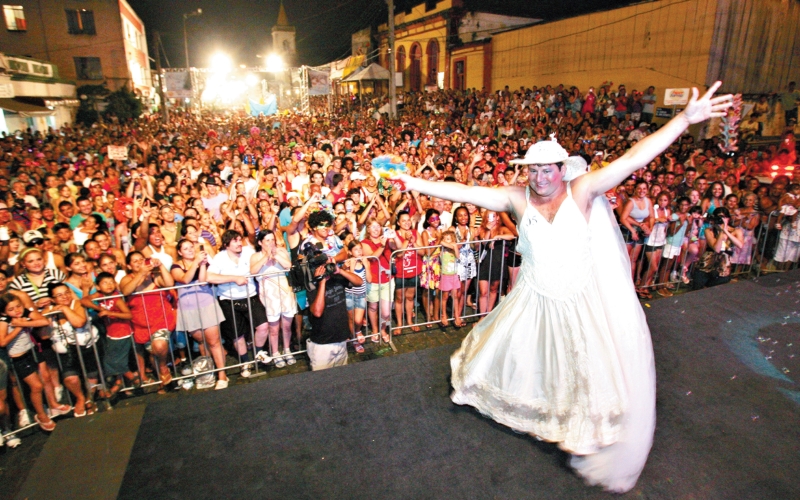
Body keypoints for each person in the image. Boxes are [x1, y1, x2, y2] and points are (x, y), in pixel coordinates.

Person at [393, 82, 732, 492]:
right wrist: (414, 184)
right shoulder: (516, 200)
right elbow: (464, 191)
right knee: (527, 360)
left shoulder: (583, 191)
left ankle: (580, 428)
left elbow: (632, 158)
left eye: (546, 169)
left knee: (581, 366)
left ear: (561, 168)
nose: (539, 177)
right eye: (532, 170)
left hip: (579, 299)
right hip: (534, 297)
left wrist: (683, 119)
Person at [207, 229, 270, 378]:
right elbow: (209, 277)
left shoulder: (248, 252)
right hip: (229, 300)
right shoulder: (220, 258)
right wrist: (234, 278)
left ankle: (258, 352)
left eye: (239, 239)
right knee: (238, 335)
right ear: (226, 244)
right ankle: (245, 362)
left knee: (263, 326)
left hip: (250, 296)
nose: (238, 243)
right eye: (234, 241)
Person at [170, 239, 229, 389]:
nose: (190, 250)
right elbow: (185, 279)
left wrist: (201, 264)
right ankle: (208, 372)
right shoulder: (176, 266)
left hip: (206, 304)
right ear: (179, 252)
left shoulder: (203, 263)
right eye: (185, 248)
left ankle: (222, 375)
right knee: (201, 341)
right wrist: (197, 262)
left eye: (191, 247)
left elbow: (203, 281)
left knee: (214, 342)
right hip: (188, 308)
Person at [306, 251, 364, 371]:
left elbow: (359, 282)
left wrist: (340, 271)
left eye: (325, 263)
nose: (324, 267)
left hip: (341, 339)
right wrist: (322, 282)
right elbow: (317, 312)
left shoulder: (336, 277)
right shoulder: (312, 285)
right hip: (323, 344)